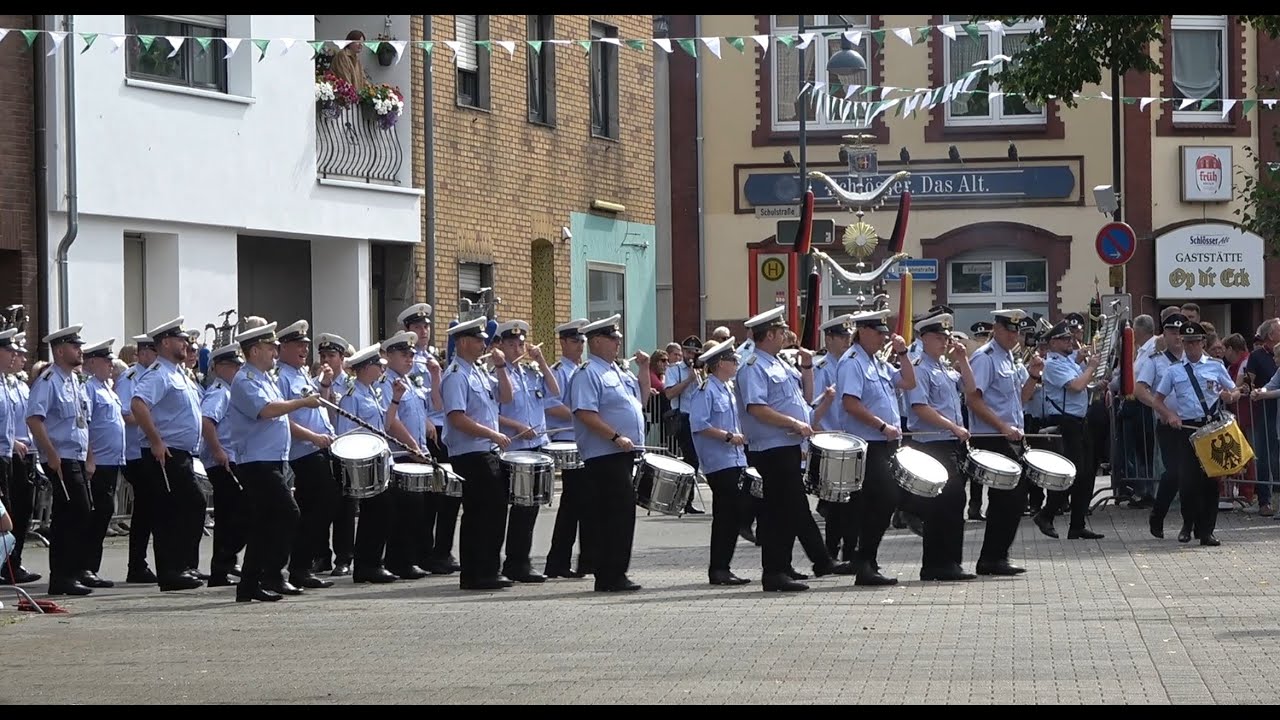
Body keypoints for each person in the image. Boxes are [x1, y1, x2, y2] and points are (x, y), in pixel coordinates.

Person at [229, 323, 321, 601]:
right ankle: (268, 573)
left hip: (271, 459)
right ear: (254, 350)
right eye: (271, 348)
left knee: (265, 521)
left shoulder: (265, 377)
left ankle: (252, 583)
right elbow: (266, 410)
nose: (275, 353)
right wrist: (301, 403)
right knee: (286, 513)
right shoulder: (245, 380)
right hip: (256, 461)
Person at [568, 313, 651, 592]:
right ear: (597, 341)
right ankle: (609, 574)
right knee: (613, 515)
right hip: (604, 455)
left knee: (623, 514)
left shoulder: (618, 371)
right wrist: (615, 436)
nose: (618, 343)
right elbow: (584, 412)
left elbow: (640, 402)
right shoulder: (588, 372)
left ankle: (616, 571)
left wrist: (645, 370)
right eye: (613, 338)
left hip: (622, 454)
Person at [442, 316, 515, 591]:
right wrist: (492, 434)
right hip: (471, 454)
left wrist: (501, 367)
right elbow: (457, 418)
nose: (484, 343)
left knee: (491, 513)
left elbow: (506, 398)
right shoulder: (455, 376)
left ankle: (483, 570)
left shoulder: (478, 372)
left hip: (485, 451)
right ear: (462, 342)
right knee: (483, 514)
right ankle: (480, 572)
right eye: (478, 339)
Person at [904, 312, 978, 581]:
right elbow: (920, 407)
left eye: (947, 337)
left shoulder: (944, 368)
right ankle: (937, 563)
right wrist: (952, 426)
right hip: (932, 442)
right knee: (942, 503)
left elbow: (971, 388)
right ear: (923, 338)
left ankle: (950, 561)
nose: (945, 342)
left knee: (955, 501)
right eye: (939, 337)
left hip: (950, 443)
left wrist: (963, 360)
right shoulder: (918, 367)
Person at [966, 309, 1040, 576]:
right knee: (1008, 497)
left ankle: (997, 556)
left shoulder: (1009, 358)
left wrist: (1033, 376)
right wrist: (1001, 427)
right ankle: (991, 558)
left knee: (1015, 499)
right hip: (992, 436)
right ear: (996, 329)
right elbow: (973, 400)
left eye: (1017, 331)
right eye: (1009, 330)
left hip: (1011, 435)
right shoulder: (984, 358)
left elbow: (1021, 399)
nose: (1014, 335)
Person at [1153, 322, 1240, 546]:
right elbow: (1157, 400)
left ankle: (1207, 531)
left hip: (1211, 428)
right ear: (1182, 343)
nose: (1191, 347)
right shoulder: (1174, 371)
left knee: (1211, 482)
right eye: (1187, 342)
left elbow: (1233, 390)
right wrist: (1170, 415)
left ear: (1203, 343)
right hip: (1187, 431)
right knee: (1188, 482)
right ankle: (1187, 524)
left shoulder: (1215, 366)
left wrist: (1231, 396)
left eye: (1195, 342)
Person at [25, 326, 97, 595]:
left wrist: (89, 456)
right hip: (61, 458)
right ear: (59, 351)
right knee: (73, 513)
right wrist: (51, 453)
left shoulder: (74, 381)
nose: (80, 350)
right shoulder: (49, 381)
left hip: (75, 456)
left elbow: (83, 423)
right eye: (74, 346)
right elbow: (34, 418)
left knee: (79, 513)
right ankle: (63, 577)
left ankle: (72, 572)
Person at [688, 336, 750, 586]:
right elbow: (699, 424)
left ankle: (724, 566)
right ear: (720, 363)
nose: (736, 363)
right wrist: (728, 436)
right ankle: (719, 569)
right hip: (719, 461)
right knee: (727, 515)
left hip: (735, 459)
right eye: (732, 359)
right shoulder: (706, 390)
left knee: (734, 514)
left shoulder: (728, 388)